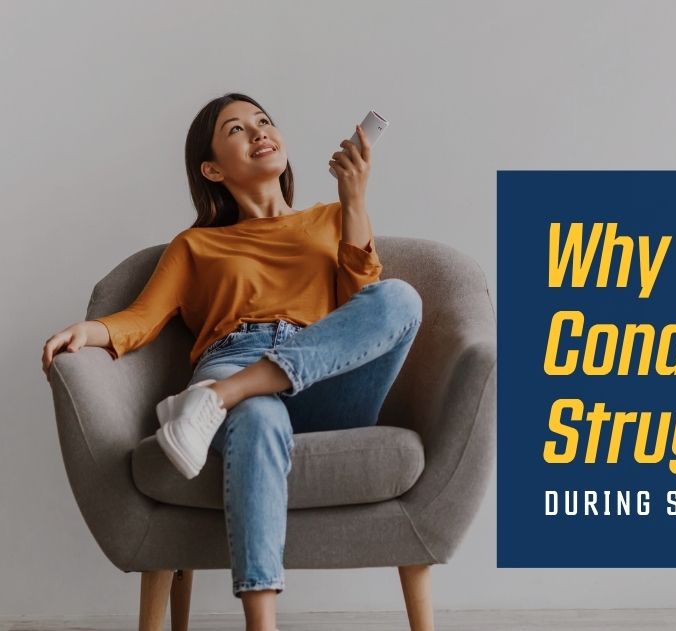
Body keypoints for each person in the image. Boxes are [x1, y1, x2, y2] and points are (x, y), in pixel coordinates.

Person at [40, 93, 429, 631]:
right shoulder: (195, 246)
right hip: (234, 355)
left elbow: (363, 305)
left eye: (264, 121)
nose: (258, 132)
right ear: (212, 168)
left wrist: (355, 199)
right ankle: (260, 624)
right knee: (256, 415)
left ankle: (215, 400)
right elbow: (142, 317)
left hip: (321, 377)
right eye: (237, 129)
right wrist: (92, 330)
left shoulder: (331, 218)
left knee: (399, 298)